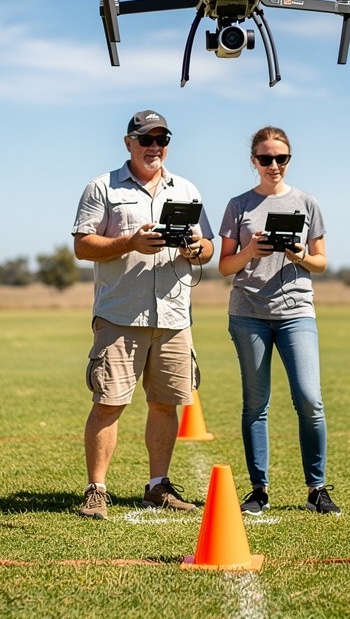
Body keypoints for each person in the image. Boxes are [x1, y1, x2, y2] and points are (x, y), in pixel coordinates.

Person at [71, 109, 215, 520]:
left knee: (166, 404)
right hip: (120, 314)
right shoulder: (102, 187)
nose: (155, 147)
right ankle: (96, 489)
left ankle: (158, 486)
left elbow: (206, 249)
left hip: (173, 316)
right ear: (128, 142)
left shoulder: (186, 188)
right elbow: (83, 246)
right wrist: (130, 241)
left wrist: (194, 248)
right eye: (146, 139)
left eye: (162, 139)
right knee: (108, 403)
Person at [217, 125, 340, 516]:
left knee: (309, 399)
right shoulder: (238, 205)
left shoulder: (307, 203)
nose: (274, 165)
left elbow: (321, 262)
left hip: (296, 313)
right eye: (266, 158)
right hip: (248, 314)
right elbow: (224, 266)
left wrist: (299, 256)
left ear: (289, 160)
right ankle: (258, 490)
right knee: (256, 404)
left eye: (281, 158)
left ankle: (316, 488)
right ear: (253, 161)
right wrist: (251, 249)